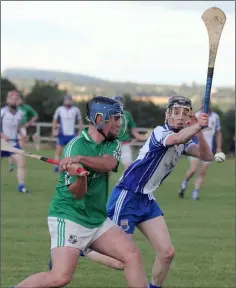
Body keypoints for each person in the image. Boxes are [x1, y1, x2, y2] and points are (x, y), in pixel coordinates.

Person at [77, 95, 213, 288]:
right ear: (167, 114)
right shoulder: (161, 133)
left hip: (147, 199)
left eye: (185, 113)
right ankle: (83, 247)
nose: (180, 117)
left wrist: (200, 131)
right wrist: (196, 126)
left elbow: (206, 156)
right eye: (176, 112)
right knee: (121, 261)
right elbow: (177, 138)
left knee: (167, 253)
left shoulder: (185, 139)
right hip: (127, 195)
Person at [13, 96, 148, 288]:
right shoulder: (74, 146)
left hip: (97, 219)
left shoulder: (112, 143)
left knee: (132, 256)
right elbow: (77, 194)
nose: (119, 123)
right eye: (115, 118)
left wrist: (82, 160)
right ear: (100, 119)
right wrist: (81, 176)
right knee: (60, 277)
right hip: (69, 217)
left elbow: (109, 163)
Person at [178, 103, 222, 200]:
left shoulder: (215, 117)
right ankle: (184, 184)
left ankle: (195, 194)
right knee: (193, 170)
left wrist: (218, 147)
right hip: (196, 147)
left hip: (208, 149)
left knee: (202, 172)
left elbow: (218, 133)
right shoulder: (197, 116)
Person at [1, 91, 29, 193]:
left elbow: (18, 127)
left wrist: (22, 135)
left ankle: (21, 186)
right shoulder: (2, 112)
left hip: (13, 144)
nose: (14, 101)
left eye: (16, 99)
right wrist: (2, 134)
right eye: (12, 99)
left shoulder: (20, 113)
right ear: (8, 100)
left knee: (21, 162)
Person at [8, 91, 39, 172]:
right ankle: (11, 164)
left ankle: (19, 164)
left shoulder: (26, 108)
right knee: (11, 147)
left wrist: (29, 123)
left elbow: (35, 115)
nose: (18, 100)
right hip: (12, 130)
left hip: (22, 129)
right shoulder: (11, 108)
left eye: (19, 99)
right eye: (17, 99)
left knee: (20, 148)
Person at [114, 95, 148, 169]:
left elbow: (134, 132)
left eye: (120, 103)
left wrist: (145, 137)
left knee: (129, 167)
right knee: (107, 169)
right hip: (112, 145)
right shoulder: (109, 115)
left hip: (124, 144)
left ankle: (125, 181)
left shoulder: (127, 114)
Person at [52, 95, 83, 172]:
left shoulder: (76, 110)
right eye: (66, 100)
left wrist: (80, 131)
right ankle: (56, 166)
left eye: (69, 100)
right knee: (58, 151)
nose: (68, 101)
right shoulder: (60, 109)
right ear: (64, 101)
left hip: (72, 134)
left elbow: (80, 121)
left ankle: (70, 167)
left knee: (71, 152)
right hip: (62, 134)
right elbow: (55, 120)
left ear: (71, 101)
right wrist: (54, 130)